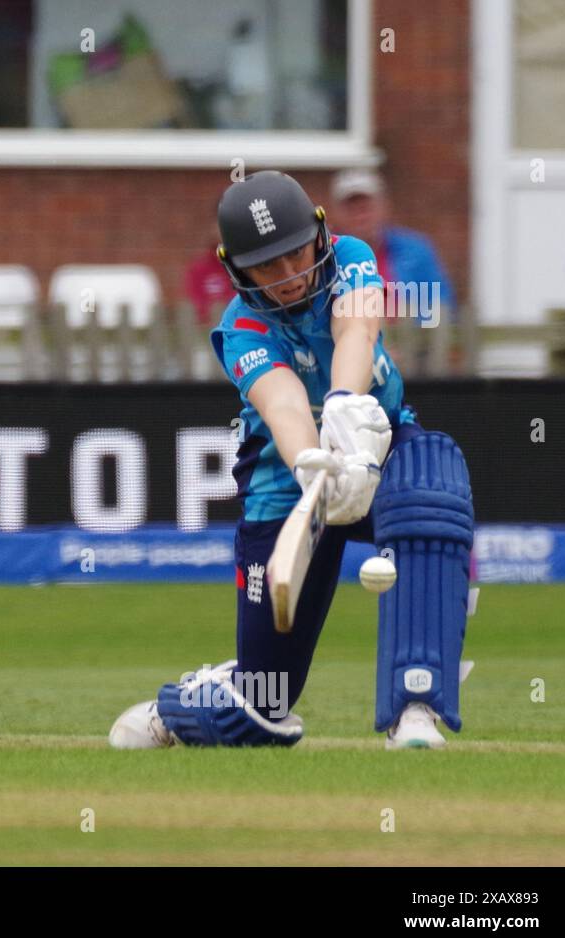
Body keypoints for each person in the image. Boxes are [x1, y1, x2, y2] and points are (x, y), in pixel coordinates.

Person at [109, 171, 474, 751]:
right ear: (235, 269)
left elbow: (355, 328)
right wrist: (315, 462)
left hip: (378, 440)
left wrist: (347, 411)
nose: (288, 277)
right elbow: (280, 403)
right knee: (262, 707)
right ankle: (182, 704)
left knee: (431, 492)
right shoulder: (241, 328)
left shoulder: (351, 257)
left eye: (296, 253)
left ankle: (415, 710)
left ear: (321, 234)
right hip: (288, 486)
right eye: (266, 266)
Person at [330, 168, 456, 325]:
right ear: (336, 213)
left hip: (410, 346)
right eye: (351, 209)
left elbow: (441, 308)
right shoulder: (323, 256)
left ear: (384, 207)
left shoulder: (416, 252)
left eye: (366, 208)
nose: (360, 216)